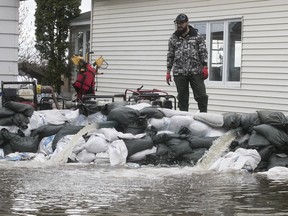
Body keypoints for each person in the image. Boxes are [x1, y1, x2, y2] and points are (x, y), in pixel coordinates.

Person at [166, 13, 209, 112]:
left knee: (202, 96)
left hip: (196, 71)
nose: (179, 25)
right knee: (182, 98)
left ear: (187, 23)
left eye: (181, 23)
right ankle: (184, 120)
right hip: (179, 72)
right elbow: (170, 55)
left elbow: (203, 52)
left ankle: (204, 116)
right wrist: (168, 71)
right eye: (177, 23)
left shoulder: (197, 36)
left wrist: (205, 66)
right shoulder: (173, 38)